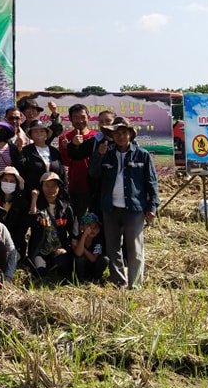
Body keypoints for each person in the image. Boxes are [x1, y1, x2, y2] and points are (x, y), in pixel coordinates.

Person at [88, 116, 159, 289]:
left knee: (135, 249)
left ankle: (134, 285)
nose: (120, 136)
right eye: (116, 133)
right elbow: (94, 175)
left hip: (134, 209)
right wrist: (99, 156)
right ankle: (119, 283)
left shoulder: (142, 155)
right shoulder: (107, 154)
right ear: (112, 135)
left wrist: (153, 206)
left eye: (123, 133)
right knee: (113, 249)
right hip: (110, 208)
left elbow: (152, 182)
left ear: (130, 134)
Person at [27, 172, 77, 281]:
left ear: (59, 188)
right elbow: (33, 222)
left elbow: (72, 230)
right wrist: (34, 199)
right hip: (40, 250)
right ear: (41, 187)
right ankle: (44, 265)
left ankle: (53, 264)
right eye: (47, 186)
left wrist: (66, 248)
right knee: (40, 273)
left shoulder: (65, 207)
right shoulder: (37, 205)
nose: (50, 189)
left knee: (65, 268)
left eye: (53, 185)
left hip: (58, 248)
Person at [58, 103, 99, 217]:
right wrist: (68, 148)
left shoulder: (96, 137)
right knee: (74, 221)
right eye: (75, 117)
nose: (79, 120)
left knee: (94, 221)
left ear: (88, 117)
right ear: (70, 119)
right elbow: (64, 162)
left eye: (82, 117)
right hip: (73, 187)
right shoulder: (64, 138)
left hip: (93, 187)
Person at [18, 120, 68, 201]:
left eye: (42, 131)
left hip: (54, 194)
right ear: (31, 135)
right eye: (35, 132)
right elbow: (21, 168)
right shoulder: (26, 151)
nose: (39, 133)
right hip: (34, 194)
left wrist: (64, 192)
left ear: (46, 134)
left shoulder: (54, 151)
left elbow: (62, 173)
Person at [71, 212, 110, 284]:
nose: (92, 229)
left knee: (105, 259)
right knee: (80, 259)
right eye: (89, 226)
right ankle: (80, 279)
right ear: (81, 227)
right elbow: (78, 254)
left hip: (92, 267)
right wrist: (84, 236)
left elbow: (93, 259)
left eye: (95, 227)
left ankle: (95, 279)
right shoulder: (77, 238)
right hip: (80, 268)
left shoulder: (98, 241)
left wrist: (84, 249)